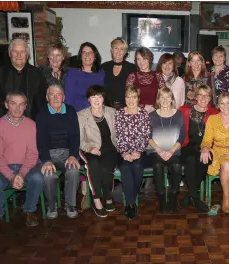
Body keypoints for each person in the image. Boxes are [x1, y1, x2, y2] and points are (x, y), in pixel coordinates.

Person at [0, 91, 44, 232]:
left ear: (25, 106)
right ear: (6, 104)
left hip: (27, 166)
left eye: (21, 104)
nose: (17, 108)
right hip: (5, 167)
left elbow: (33, 153)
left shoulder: (32, 125)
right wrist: (12, 176)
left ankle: (29, 211)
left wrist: (22, 173)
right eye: (13, 104)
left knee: (37, 178)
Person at [36, 84, 80, 219]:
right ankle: (52, 205)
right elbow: (41, 139)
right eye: (52, 94)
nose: (55, 97)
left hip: (67, 153)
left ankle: (70, 204)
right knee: (48, 174)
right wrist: (46, 160)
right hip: (48, 153)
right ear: (46, 97)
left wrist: (73, 155)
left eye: (58, 94)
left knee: (73, 170)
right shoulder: (42, 112)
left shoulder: (71, 111)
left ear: (64, 97)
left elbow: (75, 136)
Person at [77, 85, 118, 218]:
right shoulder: (81, 115)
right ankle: (96, 200)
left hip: (110, 148)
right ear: (88, 99)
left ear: (103, 98)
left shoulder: (112, 112)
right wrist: (91, 149)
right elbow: (80, 139)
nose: (96, 100)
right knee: (93, 165)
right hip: (89, 149)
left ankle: (108, 197)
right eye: (93, 96)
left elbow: (118, 134)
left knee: (106, 168)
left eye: (99, 96)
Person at [179, 84, 219, 212]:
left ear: (210, 99)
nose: (203, 98)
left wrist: (206, 148)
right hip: (187, 146)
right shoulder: (184, 110)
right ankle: (196, 199)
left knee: (204, 160)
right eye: (200, 94)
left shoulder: (214, 113)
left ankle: (190, 196)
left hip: (207, 147)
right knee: (190, 160)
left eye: (206, 95)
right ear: (195, 97)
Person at [115, 86, 150, 220]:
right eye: (128, 97)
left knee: (137, 166)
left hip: (140, 152)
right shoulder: (119, 114)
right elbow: (118, 136)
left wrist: (138, 151)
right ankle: (131, 205)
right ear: (125, 99)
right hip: (123, 152)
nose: (131, 100)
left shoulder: (143, 114)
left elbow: (145, 136)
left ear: (138, 99)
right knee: (125, 167)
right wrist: (124, 153)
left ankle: (131, 197)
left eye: (134, 97)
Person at [148, 87, 185, 213]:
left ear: (172, 99)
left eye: (167, 97)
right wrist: (159, 150)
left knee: (177, 166)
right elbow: (147, 137)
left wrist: (170, 151)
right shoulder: (152, 115)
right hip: (156, 151)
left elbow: (181, 136)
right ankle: (162, 197)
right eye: (162, 97)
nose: (164, 100)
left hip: (174, 151)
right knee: (158, 165)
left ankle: (174, 195)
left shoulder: (178, 114)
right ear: (158, 99)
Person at [0, 38, 47, 119]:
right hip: (6, 121)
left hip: (31, 121)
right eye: (15, 51)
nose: (18, 55)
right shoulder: (0, 72)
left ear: (27, 54)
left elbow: (42, 101)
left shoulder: (37, 73)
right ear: (10, 53)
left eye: (22, 52)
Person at [65, 42, 104, 112]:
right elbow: (68, 100)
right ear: (80, 56)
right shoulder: (73, 73)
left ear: (95, 56)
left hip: (98, 112)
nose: (87, 55)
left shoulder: (101, 73)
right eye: (84, 52)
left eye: (90, 52)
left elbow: (103, 96)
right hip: (78, 114)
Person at [126, 47, 166, 114]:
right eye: (138, 59)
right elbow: (127, 98)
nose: (141, 62)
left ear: (150, 59)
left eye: (144, 59)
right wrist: (143, 107)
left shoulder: (158, 75)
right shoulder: (132, 76)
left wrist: (155, 107)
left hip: (154, 113)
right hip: (136, 113)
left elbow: (165, 96)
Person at [101, 38, 137, 109]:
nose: (118, 51)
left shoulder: (132, 68)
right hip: (106, 107)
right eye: (116, 48)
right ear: (111, 50)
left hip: (126, 107)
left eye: (122, 49)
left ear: (125, 52)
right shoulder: (104, 66)